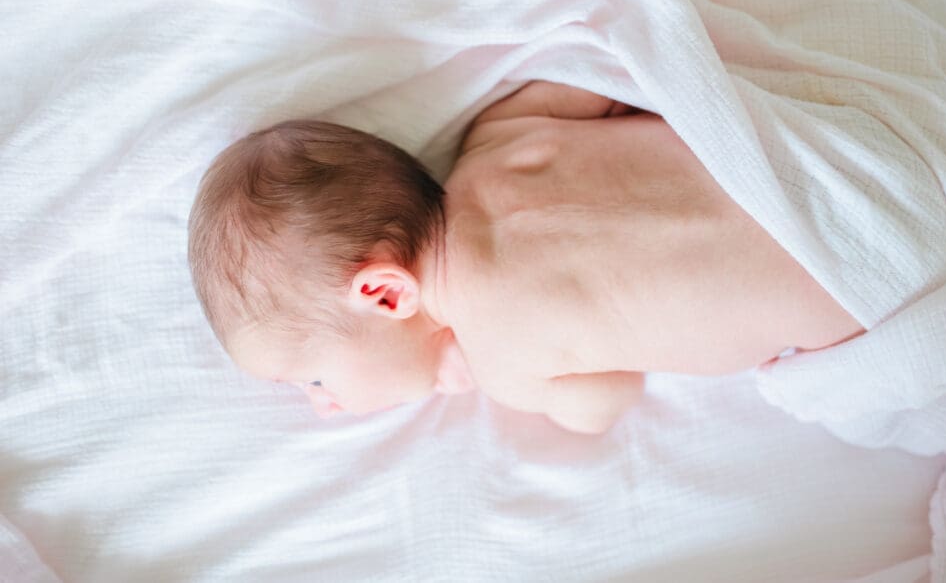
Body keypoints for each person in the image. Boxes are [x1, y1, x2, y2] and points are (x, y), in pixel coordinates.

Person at [188, 81, 863, 433]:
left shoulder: (506, 361)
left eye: (313, 379)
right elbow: (605, 77)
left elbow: (611, 396)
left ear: (387, 294)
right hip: (832, 162)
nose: (321, 401)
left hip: (855, 290)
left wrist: (469, 368)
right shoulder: (502, 138)